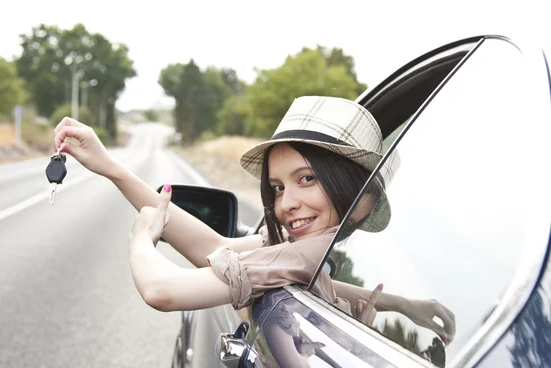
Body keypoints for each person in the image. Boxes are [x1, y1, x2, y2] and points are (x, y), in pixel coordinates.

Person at [53, 95, 455, 343]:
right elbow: (214, 247)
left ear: (362, 201)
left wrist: (142, 239)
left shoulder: (298, 257)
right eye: (278, 188)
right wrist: (112, 168)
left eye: (307, 179)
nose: (287, 203)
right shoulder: (304, 251)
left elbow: (161, 290)